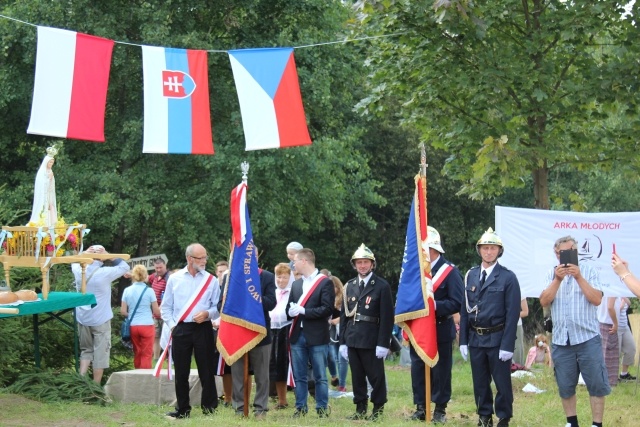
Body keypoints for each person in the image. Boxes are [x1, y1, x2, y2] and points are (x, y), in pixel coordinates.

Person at [540, 236, 610, 427]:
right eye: (563, 252)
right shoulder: (550, 274)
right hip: (562, 340)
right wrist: (557, 279)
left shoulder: (589, 271)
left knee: (596, 383)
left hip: (588, 338)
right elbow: (544, 301)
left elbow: (596, 299)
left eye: (571, 251)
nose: (568, 256)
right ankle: (572, 422)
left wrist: (579, 277)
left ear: (577, 252)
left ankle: (597, 424)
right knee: (565, 385)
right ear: (556, 254)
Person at [460, 228, 521, 427]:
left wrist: (507, 345)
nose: (488, 252)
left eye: (492, 248)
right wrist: (463, 341)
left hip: (497, 337)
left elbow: (513, 314)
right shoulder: (471, 275)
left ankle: (503, 417)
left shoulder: (508, 277)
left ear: (499, 251)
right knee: (480, 381)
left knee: (502, 382)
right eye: (485, 248)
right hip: (476, 337)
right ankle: (484, 415)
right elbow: (464, 308)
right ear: (479, 251)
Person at [408, 227, 463, 423]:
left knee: (441, 371)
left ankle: (440, 409)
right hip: (419, 329)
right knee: (417, 368)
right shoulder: (416, 271)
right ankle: (421, 406)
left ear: (434, 249)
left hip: (440, 327)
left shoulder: (450, 272)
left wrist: (433, 306)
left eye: (425, 250)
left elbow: (457, 303)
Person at [161, 243, 220, 419]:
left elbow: (217, 307)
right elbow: (166, 308)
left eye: (205, 257)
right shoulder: (175, 278)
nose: (204, 261)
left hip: (203, 328)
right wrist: (173, 326)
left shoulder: (211, 280)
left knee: (206, 369)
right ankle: (183, 408)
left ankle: (209, 408)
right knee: (181, 371)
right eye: (200, 258)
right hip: (181, 328)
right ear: (189, 258)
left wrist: (208, 314)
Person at [339, 244, 393, 421]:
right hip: (353, 337)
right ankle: (360, 407)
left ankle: (377, 409)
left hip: (372, 337)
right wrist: (342, 342)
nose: (362, 265)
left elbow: (387, 317)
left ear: (372, 264)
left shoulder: (381, 286)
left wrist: (383, 343)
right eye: (359, 262)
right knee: (357, 375)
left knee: (376, 376)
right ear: (354, 264)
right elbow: (344, 316)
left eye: (366, 262)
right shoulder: (349, 286)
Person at [286, 248, 335, 418]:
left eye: (295, 261)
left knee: (320, 375)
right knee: (299, 376)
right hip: (297, 335)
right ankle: (300, 408)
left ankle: (321, 408)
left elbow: (327, 309)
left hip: (317, 335)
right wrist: (290, 312)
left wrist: (304, 311)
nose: (293, 264)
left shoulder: (324, 282)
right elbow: (289, 309)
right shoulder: (297, 284)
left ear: (304, 261)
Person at [73, 245, 129, 383]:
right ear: (102, 259)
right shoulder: (104, 272)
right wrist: (109, 254)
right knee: (101, 353)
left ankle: (81, 381)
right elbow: (125, 267)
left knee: (86, 350)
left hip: (82, 317)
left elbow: (74, 259)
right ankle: (95, 386)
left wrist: (85, 253)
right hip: (101, 319)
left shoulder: (77, 270)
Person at [230, 257, 276, 419]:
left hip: (260, 333)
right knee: (237, 373)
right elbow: (220, 305)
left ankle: (260, 409)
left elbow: (271, 303)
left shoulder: (267, 277)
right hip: (237, 332)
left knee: (262, 374)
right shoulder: (231, 277)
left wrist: (253, 299)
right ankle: (239, 408)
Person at [120, 264, 159, 368]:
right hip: (147, 325)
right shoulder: (150, 291)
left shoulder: (127, 290)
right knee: (147, 354)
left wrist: (132, 314)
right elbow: (156, 311)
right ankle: (145, 379)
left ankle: (136, 375)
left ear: (133, 276)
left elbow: (123, 311)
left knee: (137, 352)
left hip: (133, 326)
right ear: (145, 275)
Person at [269, 263, 294, 409]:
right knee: (274, 364)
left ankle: (293, 398)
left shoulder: (293, 292)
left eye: (284, 277)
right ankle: (280, 399)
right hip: (272, 330)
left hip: (287, 330)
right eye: (278, 277)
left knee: (285, 364)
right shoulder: (273, 292)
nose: (281, 280)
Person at [28, 145, 58, 226]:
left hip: (49, 195)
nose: (51, 164)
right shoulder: (42, 172)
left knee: (50, 210)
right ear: (46, 162)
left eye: (52, 162)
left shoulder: (50, 171)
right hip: (42, 196)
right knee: (42, 210)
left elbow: (51, 186)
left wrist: (51, 179)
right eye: (50, 162)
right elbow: (42, 185)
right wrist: (49, 179)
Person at [329, 275, 348, 392]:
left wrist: (338, 320)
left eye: (333, 287)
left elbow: (348, 313)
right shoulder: (327, 298)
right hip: (331, 332)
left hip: (342, 330)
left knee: (342, 358)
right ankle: (334, 376)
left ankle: (342, 384)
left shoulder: (343, 298)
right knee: (332, 356)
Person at [148, 257, 169, 361]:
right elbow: (145, 278)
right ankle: (156, 359)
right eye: (156, 268)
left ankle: (169, 358)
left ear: (165, 265)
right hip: (155, 313)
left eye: (160, 267)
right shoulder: (154, 276)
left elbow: (170, 294)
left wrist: (161, 307)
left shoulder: (169, 277)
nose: (159, 270)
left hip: (166, 313)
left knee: (166, 336)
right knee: (156, 336)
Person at [597, 297, 619, 387]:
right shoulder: (613, 288)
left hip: (601, 322)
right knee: (609, 355)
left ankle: (602, 379)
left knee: (602, 353)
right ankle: (608, 381)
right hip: (609, 324)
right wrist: (616, 323)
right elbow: (610, 306)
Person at [616, 297, 636, 381]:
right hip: (615, 327)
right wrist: (620, 306)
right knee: (616, 353)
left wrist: (624, 296)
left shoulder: (621, 294)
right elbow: (610, 310)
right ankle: (612, 376)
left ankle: (624, 374)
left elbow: (629, 304)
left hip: (625, 326)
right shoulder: (610, 295)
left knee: (631, 349)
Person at [513, 298, 529, 366]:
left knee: (517, 347)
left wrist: (510, 316)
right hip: (500, 325)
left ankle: (517, 367)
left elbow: (525, 312)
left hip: (516, 325)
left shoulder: (521, 292)